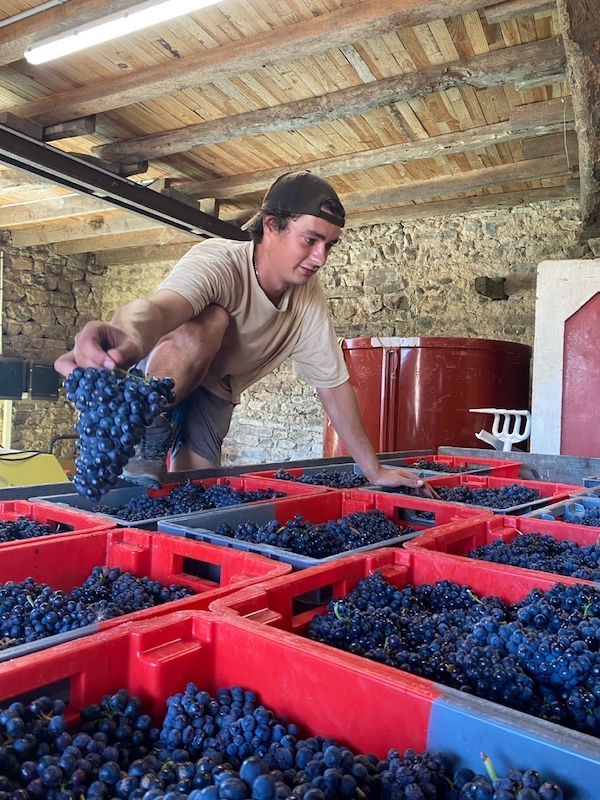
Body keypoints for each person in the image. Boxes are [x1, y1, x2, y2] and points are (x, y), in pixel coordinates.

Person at [55, 170, 434, 496]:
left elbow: (334, 388)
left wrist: (374, 471)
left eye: (329, 246)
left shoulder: (307, 300)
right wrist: (128, 335)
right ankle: (148, 423)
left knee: (189, 492)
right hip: (167, 371)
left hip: (216, 392)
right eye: (310, 240)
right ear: (271, 226)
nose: (321, 258)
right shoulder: (219, 261)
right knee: (213, 320)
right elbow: (159, 310)